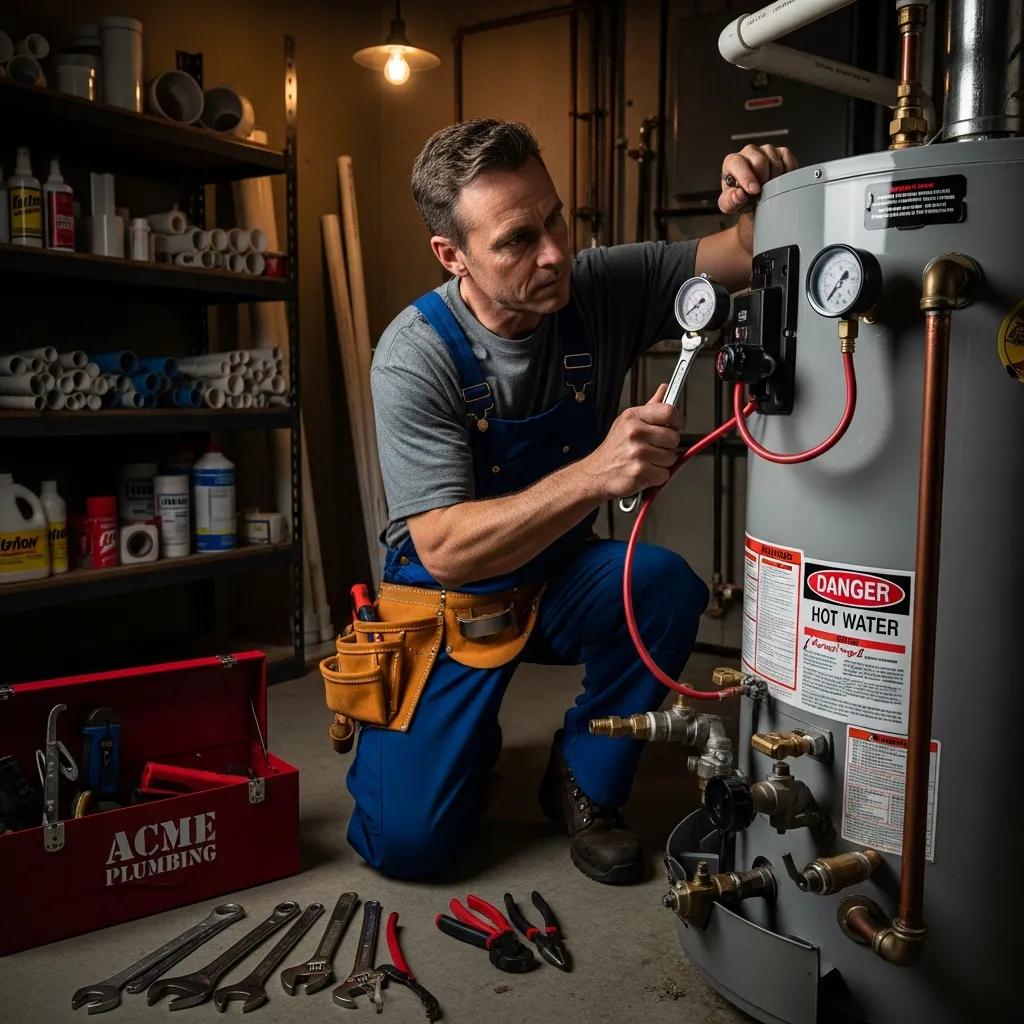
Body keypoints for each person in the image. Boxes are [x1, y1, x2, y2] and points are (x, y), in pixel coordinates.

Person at [343, 119, 796, 883]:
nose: (554, 253)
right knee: (410, 849)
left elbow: (747, 254)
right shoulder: (413, 355)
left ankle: (584, 780)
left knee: (662, 586)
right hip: (450, 607)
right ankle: (462, 734)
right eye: (517, 240)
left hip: (556, 577)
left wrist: (762, 194)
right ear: (452, 256)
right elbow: (444, 548)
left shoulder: (597, 287)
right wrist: (595, 473)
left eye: (555, 218)